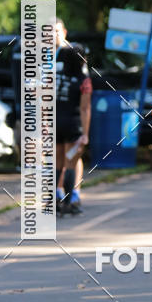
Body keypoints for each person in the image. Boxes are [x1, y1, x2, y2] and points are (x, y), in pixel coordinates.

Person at [55, 43, 92, 215]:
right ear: (82, 60)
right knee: (70, 164)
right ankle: (68, 203)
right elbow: (85, 108)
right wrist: (85, 134)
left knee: (56, 164)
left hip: (55, 123)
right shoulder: (84, 81)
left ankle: (53, 199)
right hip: (72, 124)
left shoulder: (55, 76)